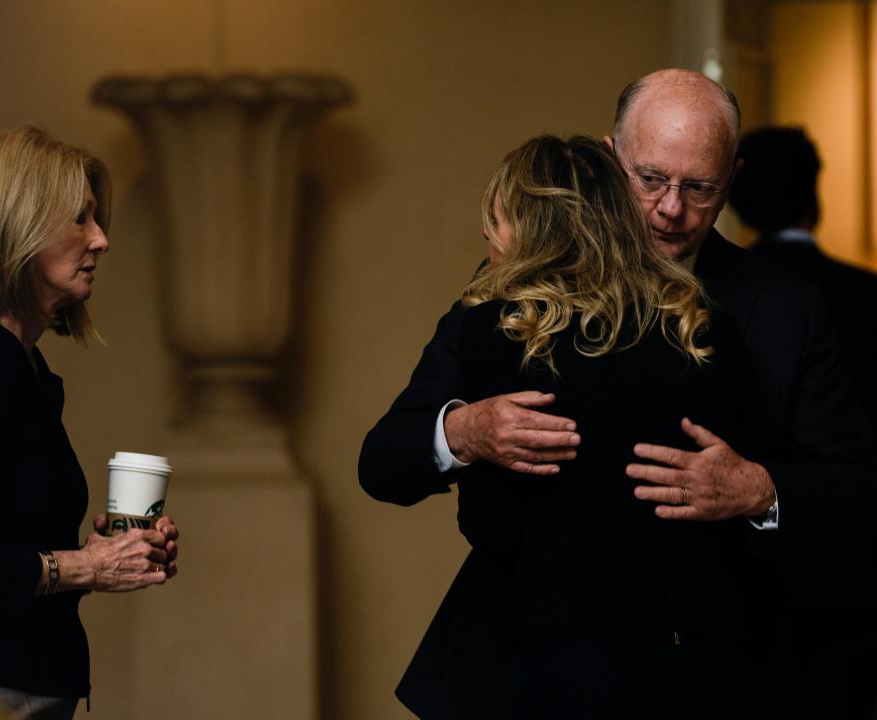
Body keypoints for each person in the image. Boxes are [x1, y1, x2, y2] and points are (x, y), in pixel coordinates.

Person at [359, 70, 876, 718]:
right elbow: (384, 460)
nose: (670, 209)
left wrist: (758, 489)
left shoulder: (783, 308)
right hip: (524, 665)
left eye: (699, 188)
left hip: (724, 664)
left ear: (731, 181)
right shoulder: (515, 300)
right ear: (609, 159)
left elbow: (856, 479)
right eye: (652, 179)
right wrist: (464, 432)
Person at [403, 133, 768, 718]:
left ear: (534, 226)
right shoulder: (707, 332)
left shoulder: (494, 330)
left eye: (495, 218)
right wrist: (462, 432)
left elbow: (488, 524)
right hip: (687, 664)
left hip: (535, 660)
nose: (485, 235)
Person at [0, 126, 180, 719]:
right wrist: (85, 565)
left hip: (18, 687)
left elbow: (0, 540)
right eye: (80, 219)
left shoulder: (18, 364)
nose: (102, 240)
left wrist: (113, 550)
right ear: (17, 230)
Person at [730, 124, 877, 719]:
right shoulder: (866, 296)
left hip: (741, 583)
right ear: (816, 195)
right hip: (854, 571)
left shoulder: (709, 295)